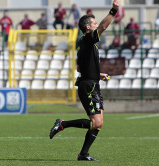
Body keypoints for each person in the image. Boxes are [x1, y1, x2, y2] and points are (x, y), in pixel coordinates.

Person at [49, 0, 120, 161]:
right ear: (87, 27)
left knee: (99, 123)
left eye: (95, 22)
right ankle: (63, 124)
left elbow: (80, 68)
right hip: (88, 86)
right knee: (96, 123)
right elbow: (103, 27)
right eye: (94, 23)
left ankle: (83, 154)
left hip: (92, 83)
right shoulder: (88, 39)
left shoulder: (83, 43)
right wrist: (113, 11)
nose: (96, 25)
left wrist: (98, 74)